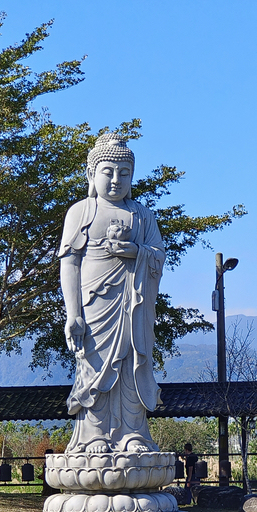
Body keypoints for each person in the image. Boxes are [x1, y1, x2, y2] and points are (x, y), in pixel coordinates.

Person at [59, 133, 164, 454]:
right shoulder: (82, 211)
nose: (116, 180)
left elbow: (158, 256)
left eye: (124, 173)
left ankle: (133, 433)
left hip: (134, 304)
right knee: (95, 365)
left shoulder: (142, 215)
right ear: (91, 174)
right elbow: (70, 263)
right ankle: (93, 435)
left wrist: (136, 251)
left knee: (132, 363)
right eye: (108, 172)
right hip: (94, 305)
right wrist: (73, 314)